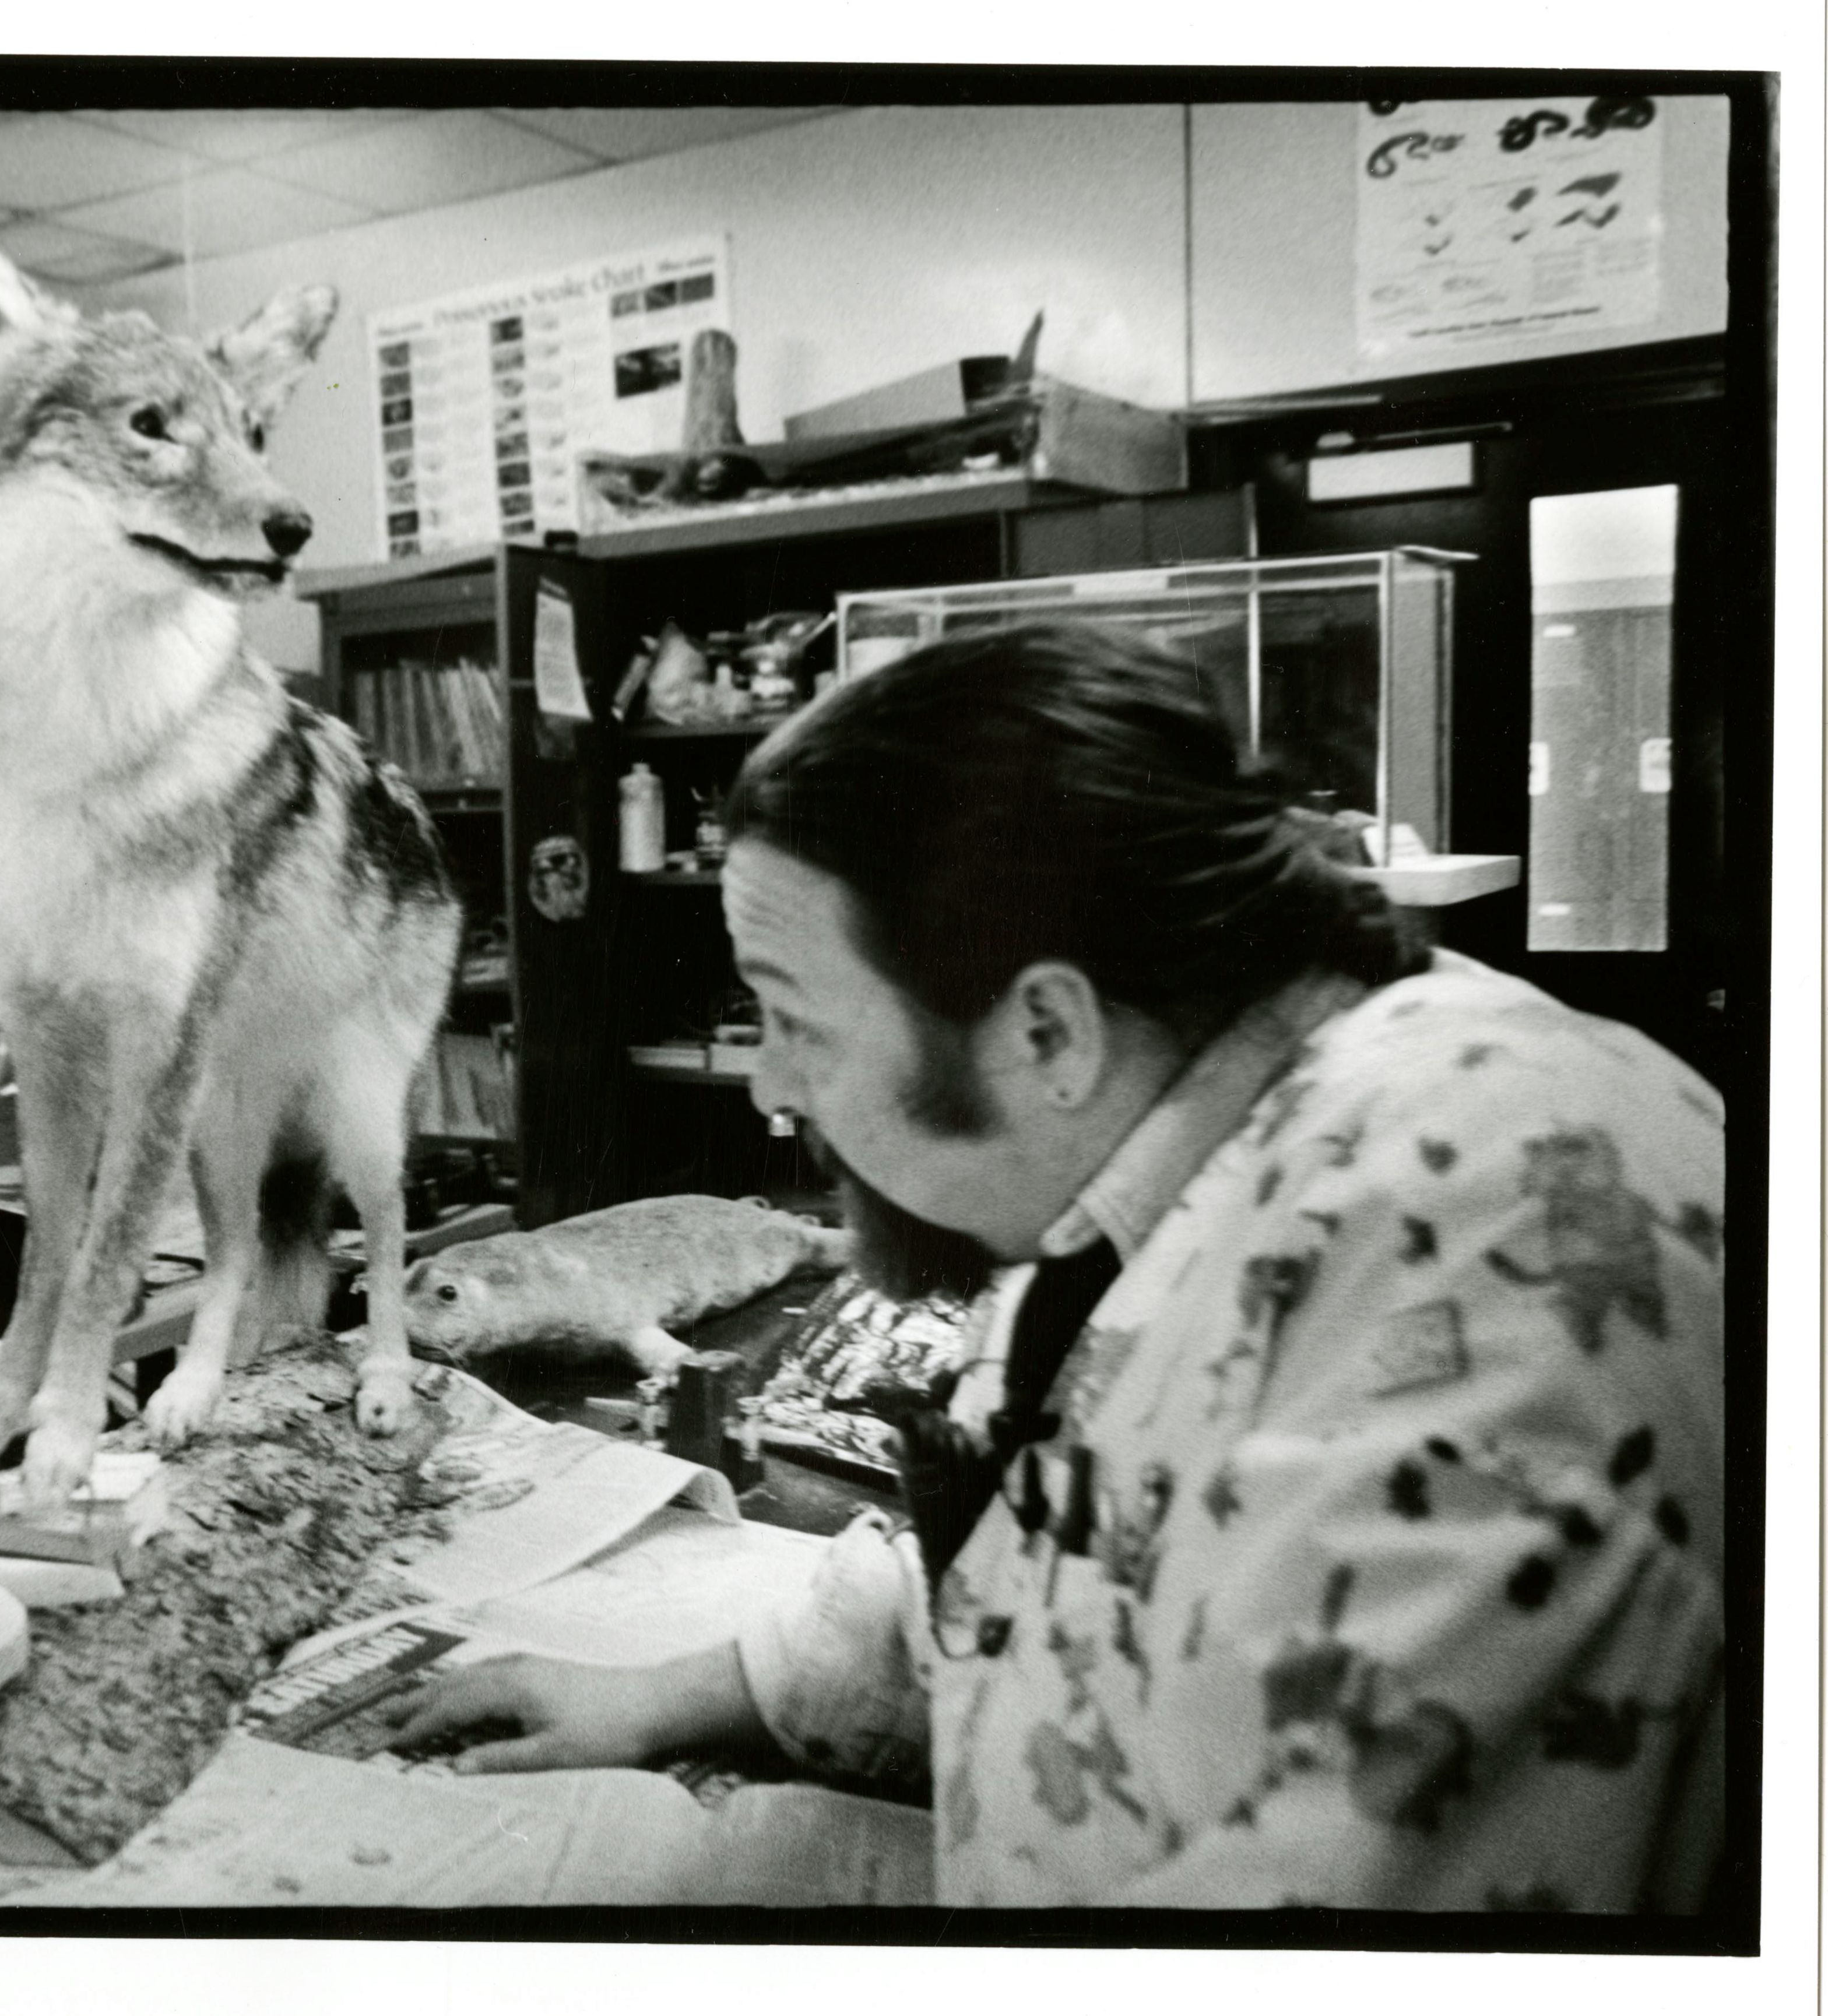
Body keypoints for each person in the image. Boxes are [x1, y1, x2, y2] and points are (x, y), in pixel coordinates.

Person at [392, 622, 1725, 1912]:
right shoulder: (1146, 1158)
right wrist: (685, 1690)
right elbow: (1060, 1559)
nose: (770, 1087)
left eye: (793, 1017)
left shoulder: (1495, 1260)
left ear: (1044, 1030)